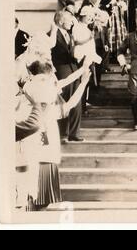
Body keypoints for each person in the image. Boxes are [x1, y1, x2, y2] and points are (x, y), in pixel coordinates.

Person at [16, 60, 91, 210]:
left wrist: (82, 78)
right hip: (33, 152)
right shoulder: (33, 92)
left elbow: (65, 92)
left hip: (42, 151)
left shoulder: (40, 93)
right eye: (44, 79)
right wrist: (82, 80)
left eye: (48, 79)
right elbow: (64, 91)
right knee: (31, 197)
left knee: (38, 199)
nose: (47, 82)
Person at [51, 10, 84, 142]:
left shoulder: (70, 34)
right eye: (69, 20)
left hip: (74, 68)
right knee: (63, 101)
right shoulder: (53, 34)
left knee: (77, 101)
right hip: (62, 70)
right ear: (60, 21)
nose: (71, 22)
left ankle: (74, 133)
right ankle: (62, 133)